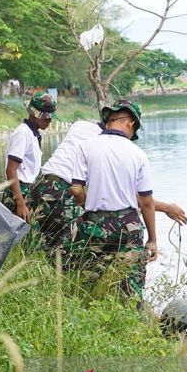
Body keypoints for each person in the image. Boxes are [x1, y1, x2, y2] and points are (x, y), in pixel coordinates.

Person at [29, 116, 187, 251]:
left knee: (48, 242)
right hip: (63, 192)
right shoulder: (107, 145)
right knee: (70, 248)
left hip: (41, 185)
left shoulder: (79, 126)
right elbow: (126, 198)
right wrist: (165, 207)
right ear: (129, 124)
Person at [66, 101, 157, 299]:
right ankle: (133, 323)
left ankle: (92, 321)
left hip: (95, 224)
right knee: (131, 288)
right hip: (129, 226)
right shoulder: (138, 154)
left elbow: (76, 188)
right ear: (131, 124)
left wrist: (89, 208)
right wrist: (152, 240)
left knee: (87, 282)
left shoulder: (86, 147)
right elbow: (147, 202)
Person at [4, 92, 56, 219]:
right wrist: (20, 203)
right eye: (45, 117)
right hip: (18, 193)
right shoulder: (23, 133)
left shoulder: (33, 134)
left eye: (50, 117)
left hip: (29, 192)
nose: (49, 120)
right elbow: (11, 170)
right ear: (33, 113)